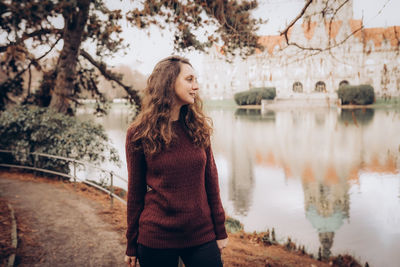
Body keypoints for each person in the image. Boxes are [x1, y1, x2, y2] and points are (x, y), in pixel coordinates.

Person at [124, 55, 228, 267]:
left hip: (202, 234)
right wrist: (131, 243)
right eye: (189, 79)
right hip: (156, 237)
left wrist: (220, 229)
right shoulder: (139, 133)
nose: (196, 86)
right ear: (169, 83)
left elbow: (211, 181)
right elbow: (135, 192)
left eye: (196, 80)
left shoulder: (198, 128)